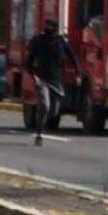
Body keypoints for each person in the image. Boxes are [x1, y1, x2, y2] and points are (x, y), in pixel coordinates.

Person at [25, 18, 80, 147]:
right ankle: (39, 134)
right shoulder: (38, 41)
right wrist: (35, 77)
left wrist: (78, 73)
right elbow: (28, 63)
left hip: (56, 80)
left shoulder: (60, 42)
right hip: (41, 79)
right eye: (46, 25)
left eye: (51, 26)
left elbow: (73, 58)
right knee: (45, 106)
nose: (48, 28)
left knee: (54, 111)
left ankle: (44, 120)